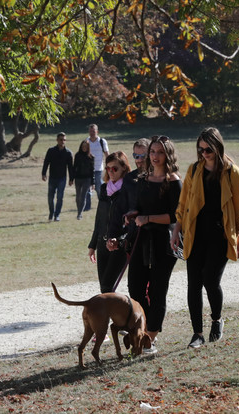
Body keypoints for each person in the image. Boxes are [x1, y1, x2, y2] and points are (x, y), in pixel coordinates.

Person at [171, 127, 239, 349]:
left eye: (208, 149)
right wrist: (176, 231)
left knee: (210, 280)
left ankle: (217, 319)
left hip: (220, 234)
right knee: (193, 284)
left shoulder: (231, 172)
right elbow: (183, 204)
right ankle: (197, 334)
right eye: (200, 149)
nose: (204, 153)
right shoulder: (194, 170)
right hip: (195, 234)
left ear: (217, 147)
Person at [124, 135, 182, 355]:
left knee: (158, 290)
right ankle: (142, 329)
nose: (155, 156)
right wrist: (133, 214)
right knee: (135, 288)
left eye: (159, 152)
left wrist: (148, 219)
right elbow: (140, 207)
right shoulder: (144, 179)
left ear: (168, 155)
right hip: (141, 240)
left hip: (164, 242)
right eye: (153, 152)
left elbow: (175, 216)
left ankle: (151, 337)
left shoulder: (174, 180)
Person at [88, 151, 132, 293]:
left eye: (115, 168)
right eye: (108, 168)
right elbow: (99, 218)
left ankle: (118, 314)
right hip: (102, 243)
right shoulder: (104, 188)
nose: (111, 172)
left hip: (119, 245)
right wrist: (93, 245)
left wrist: (120, 240)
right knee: (104, 289)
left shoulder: (129, 188)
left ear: (124, 168)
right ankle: (107, 315)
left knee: (108, 286)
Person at [41, 132, 74, 222]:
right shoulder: (51, 151)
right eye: (61, 139)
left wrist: (71, 179)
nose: (62, 141)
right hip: (52, 178)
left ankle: (57, 215)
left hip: (62, 178)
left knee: (60, 197)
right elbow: (46, 163)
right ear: (57, 140)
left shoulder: (68, 153)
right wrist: (43, 174)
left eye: (64, 140)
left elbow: (70, 167)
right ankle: (51, 213)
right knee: (50, 197)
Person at [84, 124, 109, 212]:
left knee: (99, 187)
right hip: (88, 169)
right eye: (90, 131)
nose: (92, 133)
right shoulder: (86, 141)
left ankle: (102, 203)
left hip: (98, 169)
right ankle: (87, 206)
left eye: (93, 131)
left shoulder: (102, 141)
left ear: (97, 132)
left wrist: (108, 166)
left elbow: (107, 154)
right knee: (87, 187)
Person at [122, 138, 151, 210]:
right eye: (136, 156)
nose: (139, 160)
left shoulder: (160, 178)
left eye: (143, 156)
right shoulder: (128, 178)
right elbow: (122, 208)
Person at [73, 140, 94, 220]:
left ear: (88, 147)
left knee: (83, 196)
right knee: (78, 196)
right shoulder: (77, 155)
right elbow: (74, 167)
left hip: (87, 179)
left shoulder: (91, 157)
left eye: (86, 147)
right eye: (83, 146)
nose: (84, 148)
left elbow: (92, 171)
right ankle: (79, 210)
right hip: (78, 178)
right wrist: (72, 178)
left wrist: (93, 183)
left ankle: (80, 213)